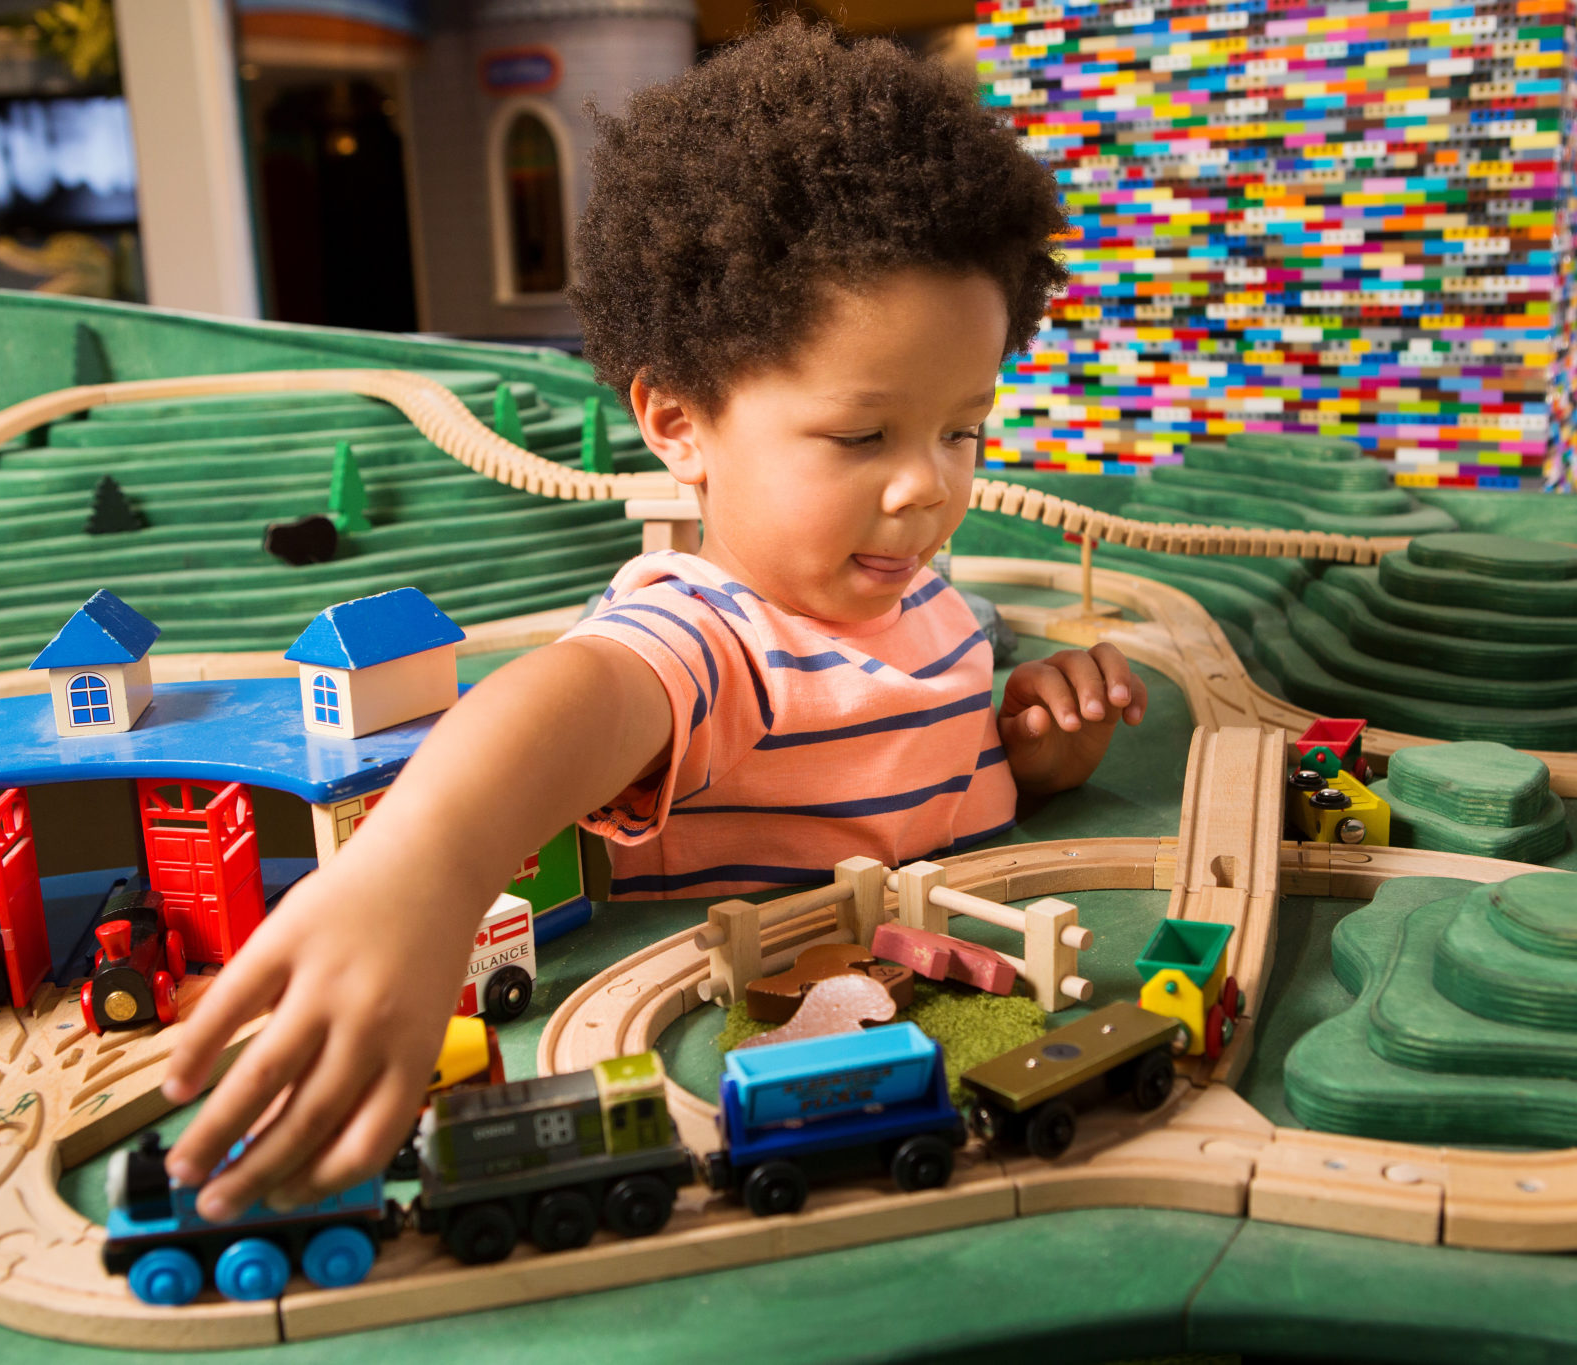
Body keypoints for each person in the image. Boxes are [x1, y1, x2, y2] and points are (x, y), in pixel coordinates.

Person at [160, 17, 1147, 1222]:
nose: (927, 484)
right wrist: (424, 869)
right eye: (860, 435)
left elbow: (910, 763)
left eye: (960, 427)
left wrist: (1024, 757)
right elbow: (580, 692)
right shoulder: (713, 634)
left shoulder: (928, 602)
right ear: (679, 423)